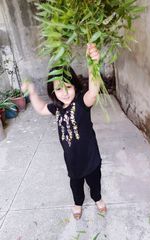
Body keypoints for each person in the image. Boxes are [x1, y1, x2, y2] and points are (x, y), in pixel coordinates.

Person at [21, 43, 107, 220]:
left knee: (94, 182)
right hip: (72, 160)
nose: (64, 92)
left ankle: (97, 199)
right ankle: (78, 203)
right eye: (59, 89)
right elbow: (41, 109)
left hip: (90, 158)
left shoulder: (82, 103)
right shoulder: (57, 108)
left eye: (68, 86)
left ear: (75, 86)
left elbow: (93, 90)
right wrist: (32, 93)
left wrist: (93, 65)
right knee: (75, 184)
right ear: (53, 91)